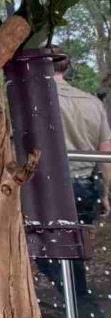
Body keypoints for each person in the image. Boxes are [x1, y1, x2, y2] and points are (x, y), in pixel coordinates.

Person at [54, 51, 111, 219]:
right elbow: (106, 154)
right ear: (66, 68)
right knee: (83, 240)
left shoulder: (29, 104)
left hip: (46, 188)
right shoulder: (93, 103)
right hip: (85, 187)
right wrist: (104, 192)